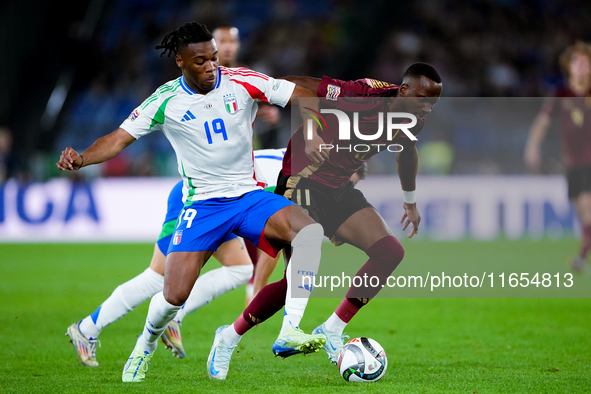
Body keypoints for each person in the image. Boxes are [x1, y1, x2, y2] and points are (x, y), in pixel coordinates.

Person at [56, 22, 326, 382]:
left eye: (213, 58)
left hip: (247, 196)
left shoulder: (242, 80)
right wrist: (83, 158)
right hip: (201, 207)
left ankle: (290, 329)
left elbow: (297, 92)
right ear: (180, 62)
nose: (211, 66)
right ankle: (146, 343)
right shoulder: (165, 100)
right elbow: (119, 138)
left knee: (308, 233)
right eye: (200, 61)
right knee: (172, 295)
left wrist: (331, 105)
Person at [211, 63, 443, 370]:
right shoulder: (362, 94)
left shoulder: (414, 119)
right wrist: (309, 131)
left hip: (338, 188)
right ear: (404, 90)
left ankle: (332, 329)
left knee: (389, 252)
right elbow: (301, 84)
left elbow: (406, 152)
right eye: (424, 98)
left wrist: (410, 202)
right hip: (302, 179)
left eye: (433, 103)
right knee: (294, 281)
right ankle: (228, 339)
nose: (427, 107)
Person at [212, 23, 282, 305]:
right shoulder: (201, 77)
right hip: (212, 170)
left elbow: (259, 100)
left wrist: (266, 112)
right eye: (222, 41)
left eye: (232, 41)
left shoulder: (245, 76)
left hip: (245, 163)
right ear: (212, 44)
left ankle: (256, 288)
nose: (228, 46)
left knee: (273, 222)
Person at [524, 41, 591, 273]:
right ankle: (582, 256)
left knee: (588, 209)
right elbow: (543, 121)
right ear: (569, 66)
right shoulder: (561, 93)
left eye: (586, 63)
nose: (582, 67)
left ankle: (581, 259)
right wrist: (533, 145)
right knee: (583, 213)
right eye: (577, 62)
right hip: (573, 165)